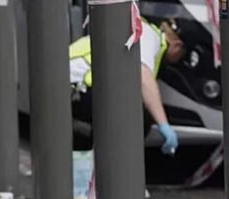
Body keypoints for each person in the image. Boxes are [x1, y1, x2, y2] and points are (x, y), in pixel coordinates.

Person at [69, 16, 188, 155]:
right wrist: (164, 124)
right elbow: (144, 77)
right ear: (177, 46)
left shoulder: (146, 36)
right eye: (182, 56)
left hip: (78, 87)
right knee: (137, 119)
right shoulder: (149, 35)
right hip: (74, 85)